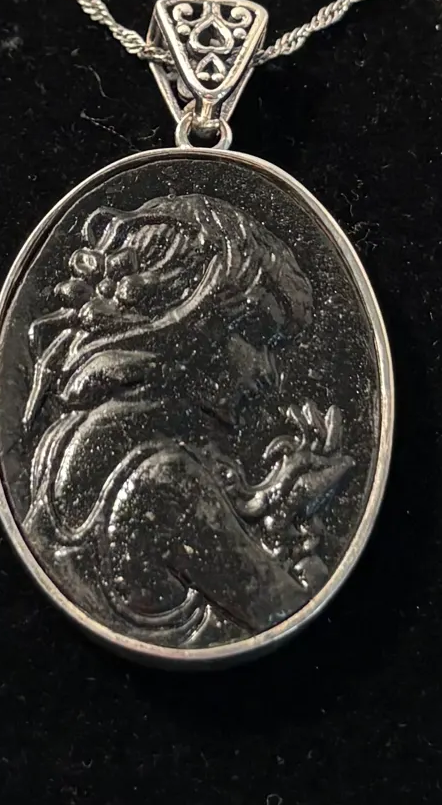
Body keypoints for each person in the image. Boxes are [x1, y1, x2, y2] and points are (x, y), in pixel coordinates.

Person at [22, 194, 353, 646]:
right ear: (189, 320)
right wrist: (296, 533)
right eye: (256, 337)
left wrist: (276, 508)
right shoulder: (168, 482)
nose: (269, 374)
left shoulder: (67, 439)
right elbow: (291, 611)